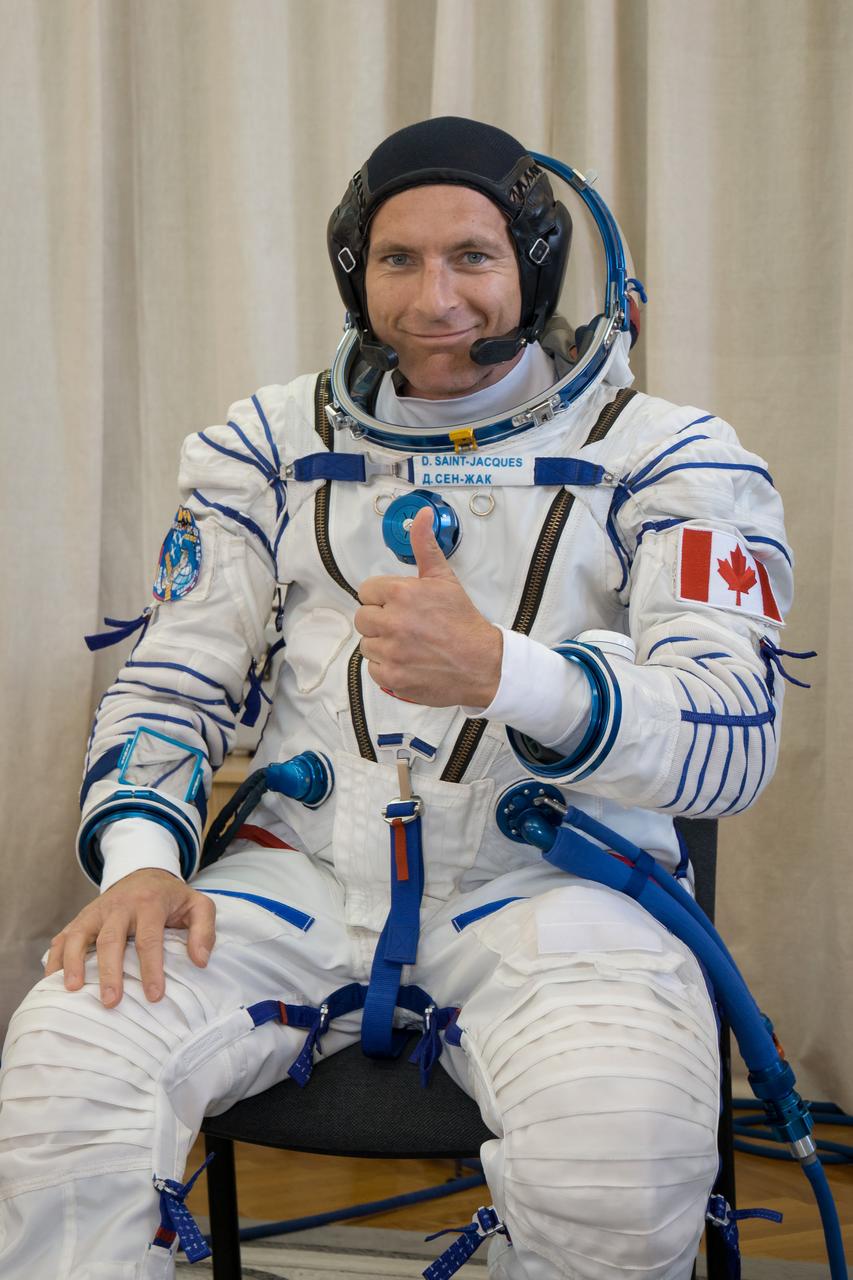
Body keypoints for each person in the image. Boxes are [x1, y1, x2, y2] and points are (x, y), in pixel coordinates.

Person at [0, 117, 794, 1280]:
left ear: (533, 264)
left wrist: (508, 674)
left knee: (611, 1160)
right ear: (351, 271)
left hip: (556, 882)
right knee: (71, 1066)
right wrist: (139, 866)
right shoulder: (263, 446)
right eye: (398, 260)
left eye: (472, 257)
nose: (435, 300)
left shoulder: (670, 457)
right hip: (302, 874)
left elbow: (735, 737)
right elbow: (172, 683)